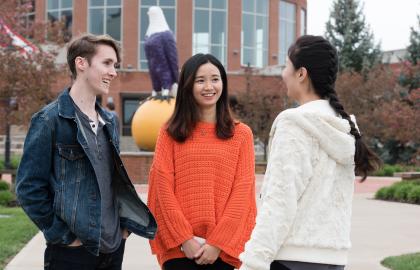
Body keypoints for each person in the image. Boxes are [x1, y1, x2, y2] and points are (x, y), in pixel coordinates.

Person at [239, 35, 381, 270]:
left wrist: (252, 263)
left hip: (291, 259)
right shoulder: (344, 128)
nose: (283, 74)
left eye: (286, 66)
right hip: (333, 260)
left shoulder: (294, 124)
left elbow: (280, 201)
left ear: (301, 73)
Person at [16, 34, 156, 270]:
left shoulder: (110, 120)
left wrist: (123, 229)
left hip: (113, 247)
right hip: (72, 254)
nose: (113, 72)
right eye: (107, 63)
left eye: (115, 65)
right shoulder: (49, 120)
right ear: (81, 63)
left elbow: (113, 182)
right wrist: (64, 237)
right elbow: (28, 188)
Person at [147, 53, 257, 270]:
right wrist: (184, 239)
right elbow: (162, 189)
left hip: (221, 252)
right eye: (200, 80)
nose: (209, 86)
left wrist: (217, 243)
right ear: (188, 86)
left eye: (215, 79)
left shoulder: (241, 134)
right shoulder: (169, 133)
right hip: (179, 250)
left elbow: (242, 193)